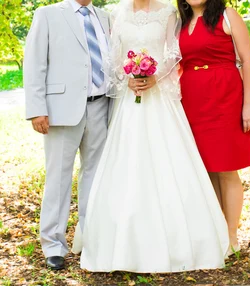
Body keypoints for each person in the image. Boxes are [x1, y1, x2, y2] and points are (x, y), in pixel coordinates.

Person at [78, 0, 229, 273]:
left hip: (160, 99)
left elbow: (173, 53)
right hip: (129, 100)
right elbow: (113, 58)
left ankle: (183, 242)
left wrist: (154, 76)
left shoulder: (168, 12)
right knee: (128, 162)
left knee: (167, 160)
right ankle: (123, 244)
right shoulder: (117, 13)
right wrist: (129, 78)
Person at [23, 0, 111, 270]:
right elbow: (34, 62)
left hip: (101, 105)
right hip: (60, 111)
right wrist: (37, 109)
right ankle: (53, 245)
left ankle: (88, 238)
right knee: (58, 177)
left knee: (95, 177)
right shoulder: (48, 14)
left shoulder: (105, 17)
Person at [177, 0, 250, 255]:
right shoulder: (182, 22)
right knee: (206, 169)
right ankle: (216, 230)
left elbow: (248, 61)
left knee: (226, 169)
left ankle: (231, 236)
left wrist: (248, 105)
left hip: (225, 97)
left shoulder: (227, 15)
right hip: (192, 99)